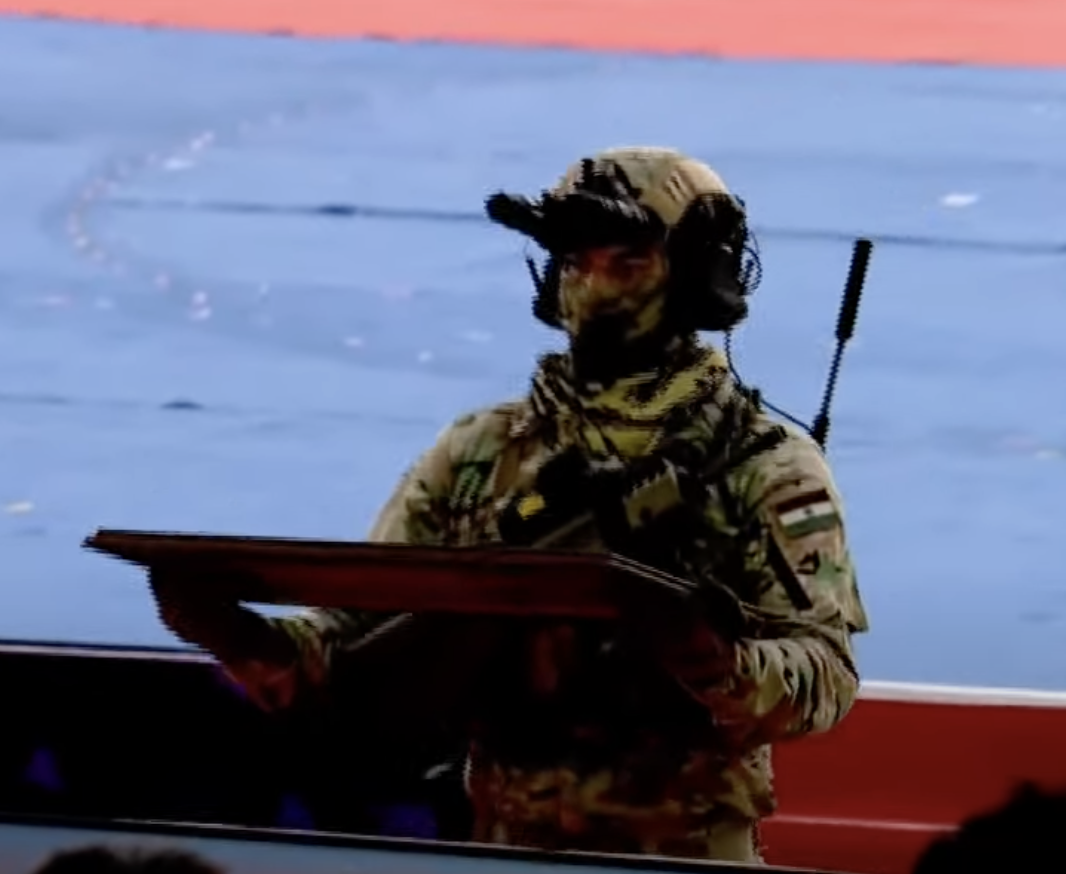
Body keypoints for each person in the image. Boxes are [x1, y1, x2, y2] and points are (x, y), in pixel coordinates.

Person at [152, 146, 869, 863]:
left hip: (685, 852)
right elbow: (359, 624)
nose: (593, 287)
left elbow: (825, 676)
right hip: (502, 847)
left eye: (627, 261)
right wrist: (250, 641)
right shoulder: (479, 453)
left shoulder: (762, 464)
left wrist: (717, 663)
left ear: (694, 277)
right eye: (575, 262)